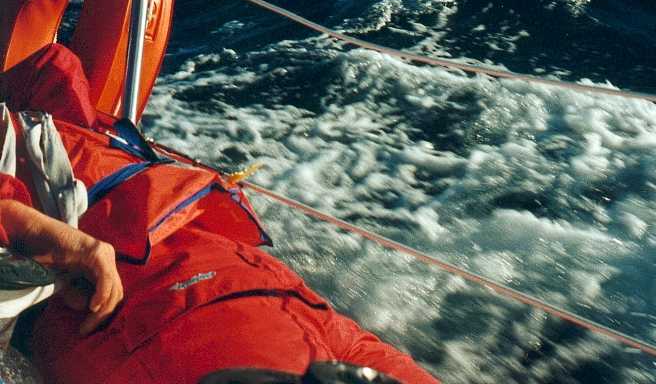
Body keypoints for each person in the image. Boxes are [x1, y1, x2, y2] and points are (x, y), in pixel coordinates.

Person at [0, 43, 439, 384]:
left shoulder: (69, 129)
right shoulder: (41, 136)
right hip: (179, 306)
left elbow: (53, 67)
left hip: (266, 301)